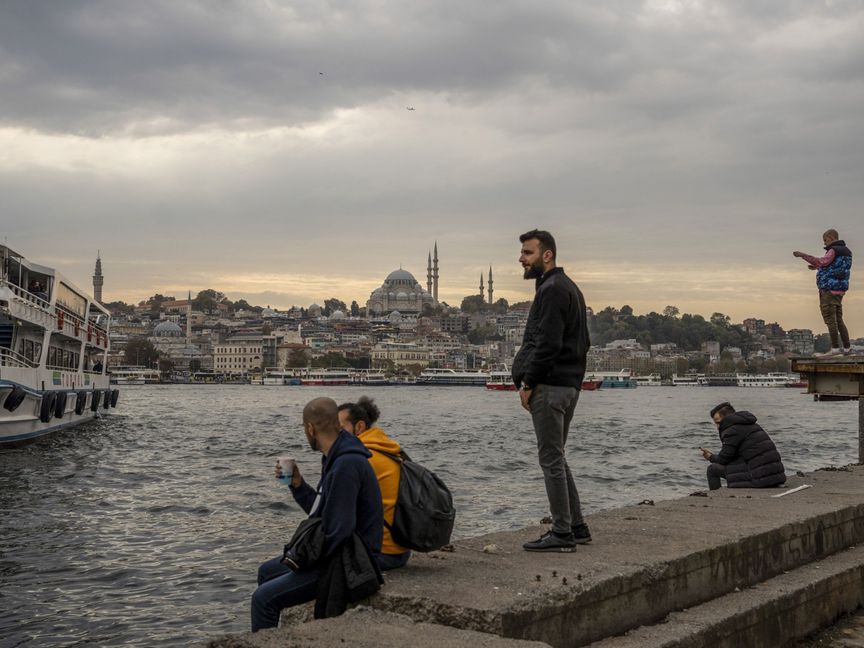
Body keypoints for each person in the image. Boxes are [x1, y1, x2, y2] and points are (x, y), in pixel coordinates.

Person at [250, 397, 383, 631]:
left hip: (351, 561)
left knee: (263, 600)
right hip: (340, 551)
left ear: (310, 429)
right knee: (267, 572)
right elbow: (323, 512)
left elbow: (339, 530)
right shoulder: (334, 457)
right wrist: (298, 485)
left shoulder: (346, 464)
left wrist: (305, 561)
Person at [512, 229, 592, 552]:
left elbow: (547, 343)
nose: (521, 259)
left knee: (550, 460)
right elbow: (582, 343)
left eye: (527, 253)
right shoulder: (568, 287)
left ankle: (561, 532)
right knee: (558, 456)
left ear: (547, 255)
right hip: (568, 385)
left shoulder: (553, 290)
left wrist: (529, 382)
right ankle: (577, 525)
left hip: (551, 386)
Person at [338, 396, 411, 571]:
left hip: (378, 553)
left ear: (360, 427)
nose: (333, 434)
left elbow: (337, 515)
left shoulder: (360, 458)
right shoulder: (387, 448)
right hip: (400, 548)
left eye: (339, 428)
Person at [700, 402, 786, 491]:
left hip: (760, 478)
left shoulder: (732, 430)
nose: (717, 427)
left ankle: (715, 497)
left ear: (727, 418)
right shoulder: (751, 424)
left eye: (718, 422)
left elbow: (724, 459)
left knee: (712, 469)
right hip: (776, 476)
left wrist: (710, 457)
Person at [793, 229, 853, 356]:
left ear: (831, 237)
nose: (825, 244)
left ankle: (835, 349)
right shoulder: (847, 252)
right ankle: (847, 348)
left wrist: (803, 255)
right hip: (839, 289)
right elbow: (835, 267)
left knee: (830, 320)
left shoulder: (833, 250)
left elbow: (822, 261)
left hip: (828, 290)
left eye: (825, 240)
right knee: (839, 319)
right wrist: (817, 268)